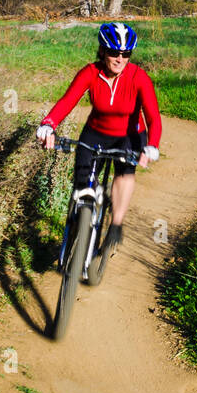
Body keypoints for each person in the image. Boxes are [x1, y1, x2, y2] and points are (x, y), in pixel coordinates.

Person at [36, 22, 162, 255]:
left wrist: (152, 146)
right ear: (103, 51)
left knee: (124, 173)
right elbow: (68, 101)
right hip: (96, 133)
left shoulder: (138, 77)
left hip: (130, 136)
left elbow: (153, 116)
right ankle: (79, 223)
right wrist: (49, 124)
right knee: (83, 184)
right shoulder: (90, 73)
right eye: (114, 52)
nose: (120, 59)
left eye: (126, 54)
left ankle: (116, 224)